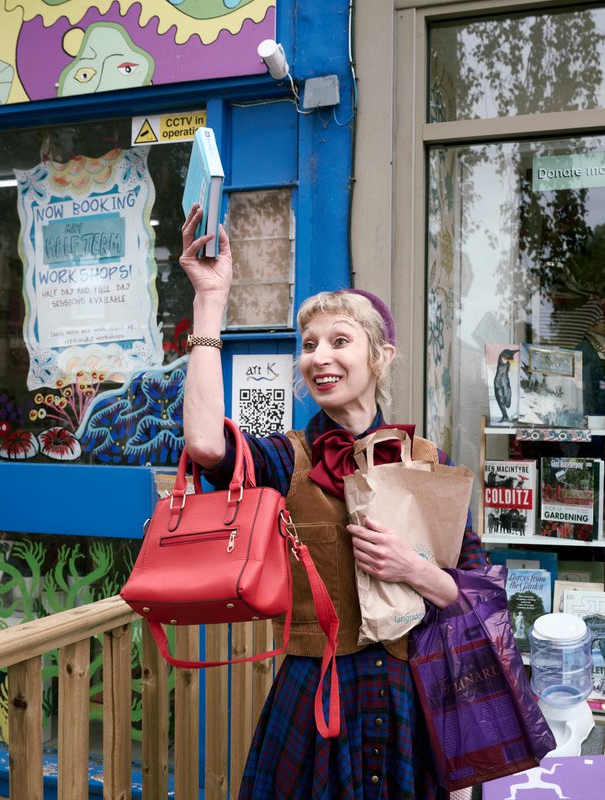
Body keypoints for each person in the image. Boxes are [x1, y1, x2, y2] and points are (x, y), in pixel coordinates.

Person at [178, 203, 487, 799]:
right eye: (310, 343)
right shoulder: (286, 458)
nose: (319, 356)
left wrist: (414, 570)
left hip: (406, 706)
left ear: (381, 357)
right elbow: (203, 442)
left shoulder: (427, 461)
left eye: (340, 341)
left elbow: (471, 593)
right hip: (316, 702)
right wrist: (210, 303)